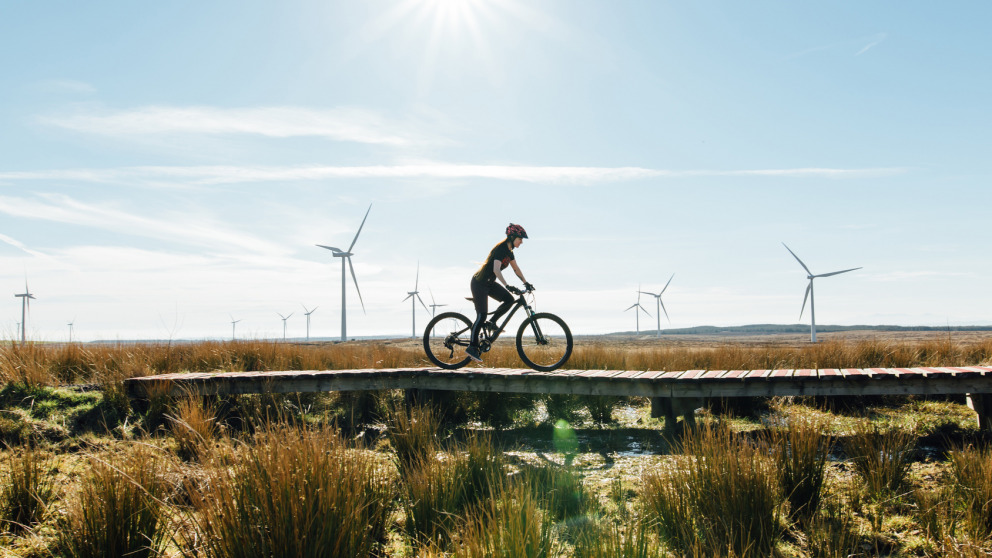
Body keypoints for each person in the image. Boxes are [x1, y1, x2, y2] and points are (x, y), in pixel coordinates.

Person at [466, 223, 534, 362]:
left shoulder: (510, 252)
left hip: (490, 284)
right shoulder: (501, 249)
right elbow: (497, 270)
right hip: (479, 283)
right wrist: (507, 285)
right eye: (520, 239)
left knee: (509, 300)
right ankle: (472, 347)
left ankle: (492, 323)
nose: (521, 242)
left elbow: (516, 269)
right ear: (513, 237)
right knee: (481, 315)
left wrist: (525, 282)